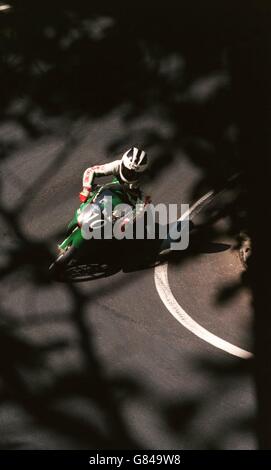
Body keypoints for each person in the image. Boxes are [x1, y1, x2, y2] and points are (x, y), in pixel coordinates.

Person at [79, 146, 151, 227]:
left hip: (127, 203)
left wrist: (127, 220)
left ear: (140, 174)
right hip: (110, 191)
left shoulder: (142, 181)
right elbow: (92, 170)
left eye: (133, 174)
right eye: (127, 170)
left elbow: (144, 204)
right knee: (91, 194)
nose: (129, 174)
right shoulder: (117, 165)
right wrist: (86, 189)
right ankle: (83, 212)